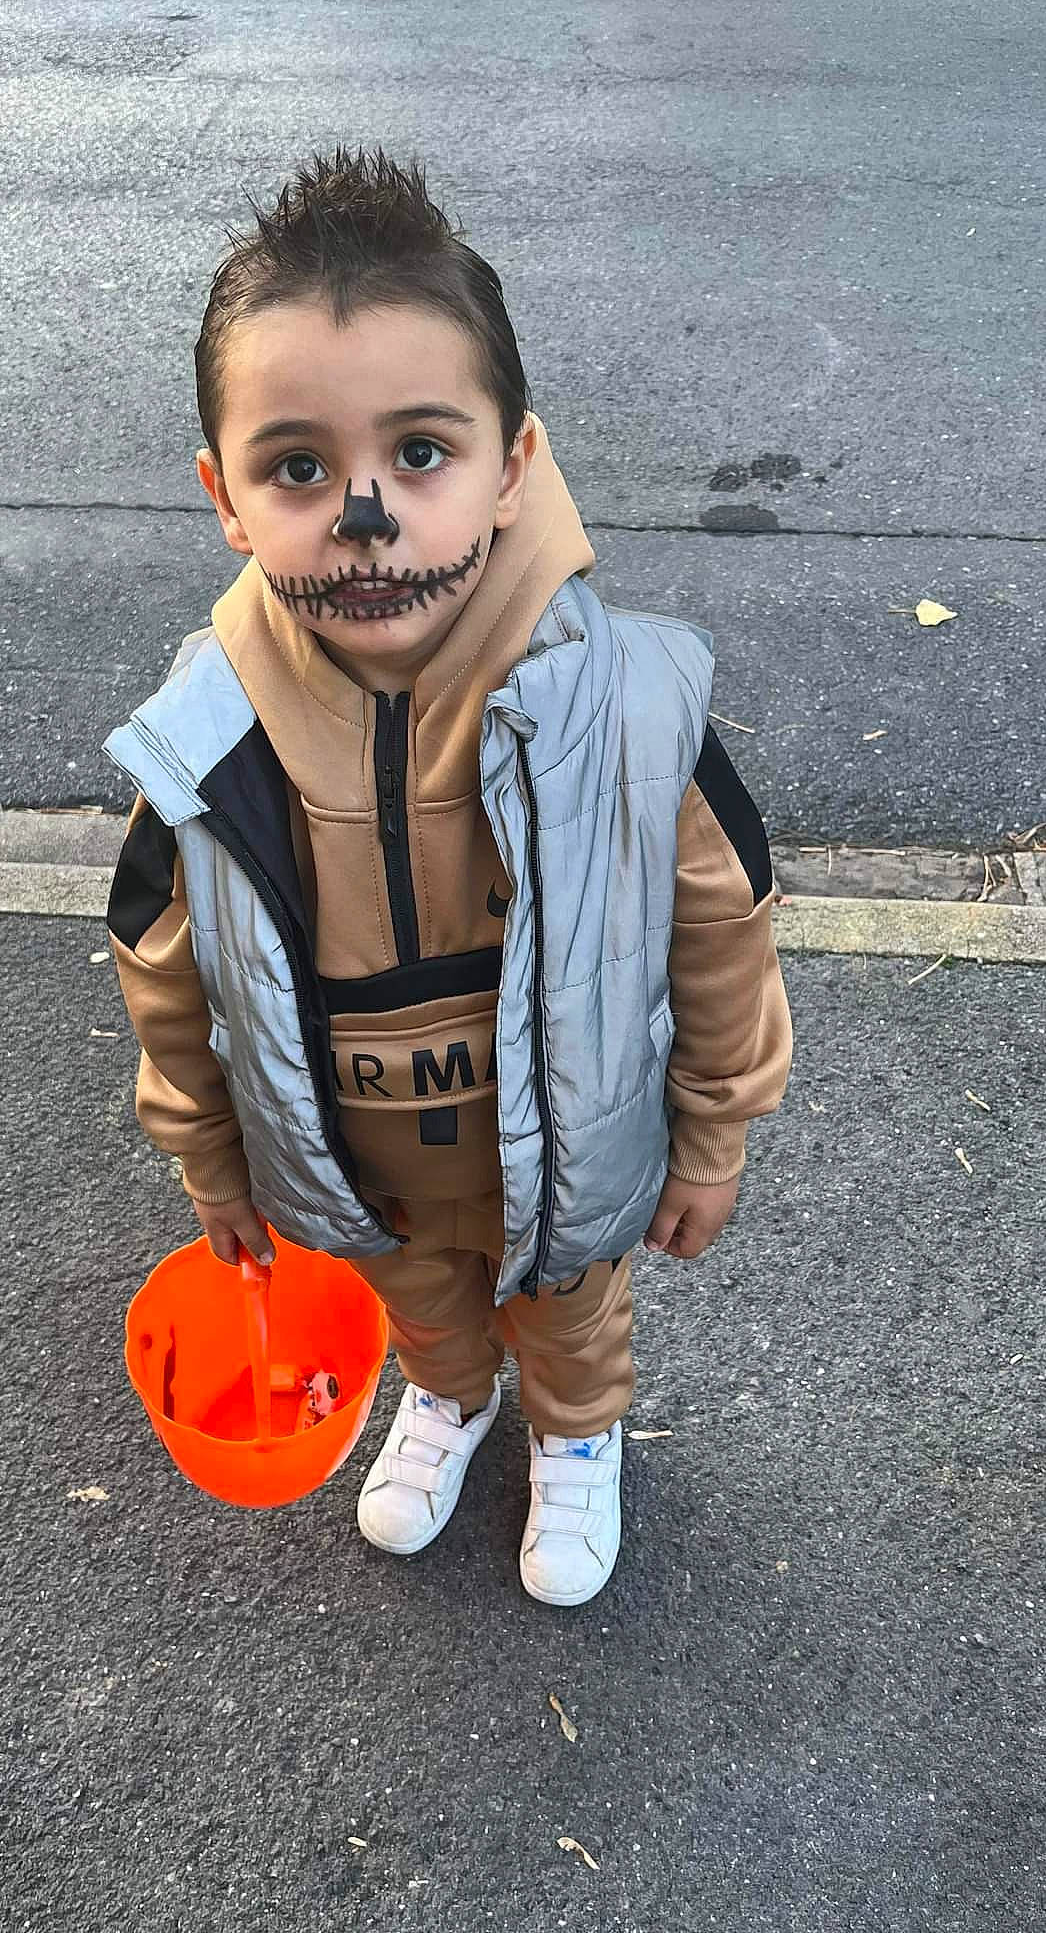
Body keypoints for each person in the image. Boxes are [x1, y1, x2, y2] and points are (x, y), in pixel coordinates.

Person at [105, 144, 792, 1607]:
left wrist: (716, 1134)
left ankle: (578, 1434)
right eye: (301, 468)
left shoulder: (631, 703)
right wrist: (209, 1157)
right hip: (358, 1160)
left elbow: (723, 924)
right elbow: (160, 962)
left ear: (512, 466)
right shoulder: (206, 733)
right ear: (226, 496)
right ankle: (450, 1400)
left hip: (574, 1131)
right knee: (421, 1303)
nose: (366, 518)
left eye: (420, 453)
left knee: (572, 1312)